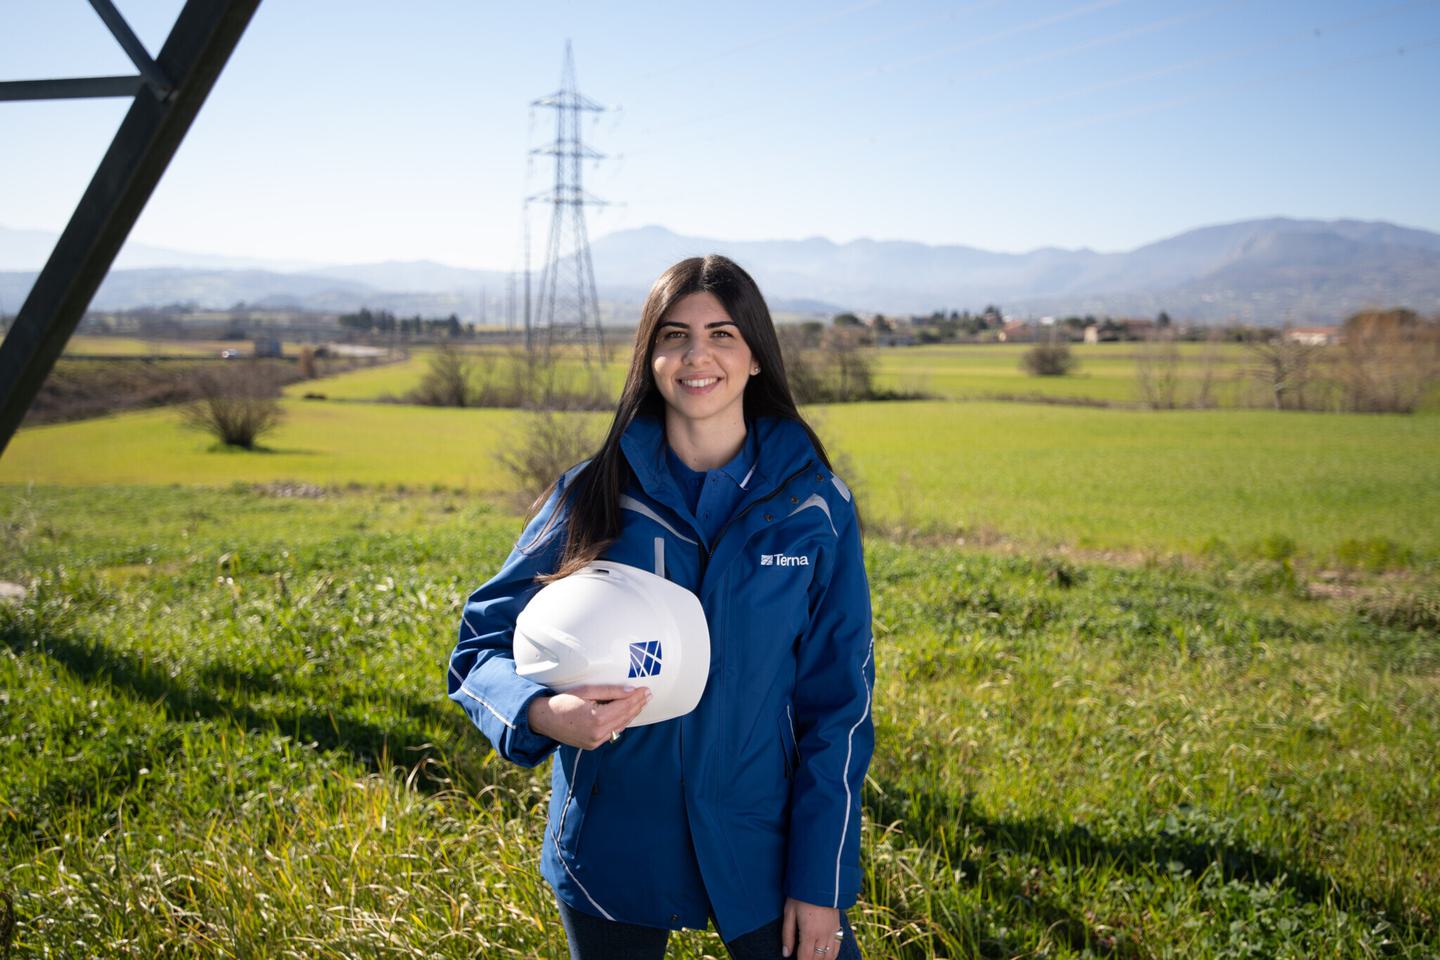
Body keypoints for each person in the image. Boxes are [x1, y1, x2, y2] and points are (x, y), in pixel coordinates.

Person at [447, 255, 873, 960]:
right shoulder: (594, 492)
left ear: (757, 357)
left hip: (761, 840)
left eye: (722, 334)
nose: (695, 355)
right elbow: (477, 648)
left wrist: (820, 879)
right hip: (614, 843)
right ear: (649, 357)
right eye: (673, 335)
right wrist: (545, 714)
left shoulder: (816, 506)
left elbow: (840, 705)